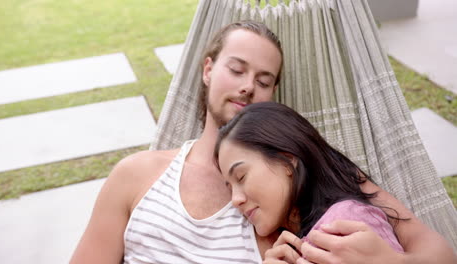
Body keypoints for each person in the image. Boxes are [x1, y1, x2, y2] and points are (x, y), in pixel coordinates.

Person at [70, 20, 455, 263]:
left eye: (265, 80)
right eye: (236, 69)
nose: (247, 86)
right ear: (207, 69)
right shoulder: (137, 175)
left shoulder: (302, 187)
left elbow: (438, 251)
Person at [214, 101, 410, 263]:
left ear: (287, 162)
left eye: (241, 177)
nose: (235, 200)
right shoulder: (299, 244)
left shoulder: (343, 222)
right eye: (230, 187)